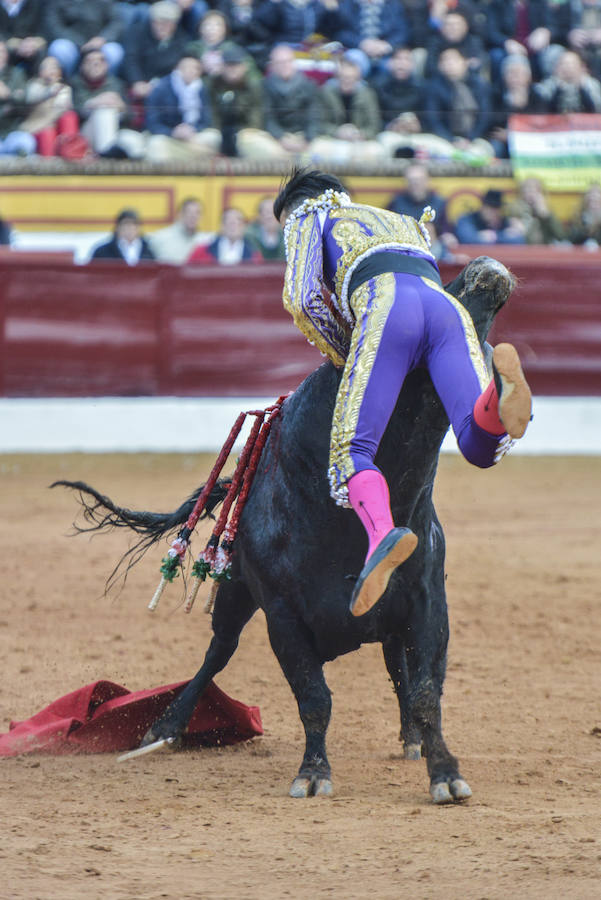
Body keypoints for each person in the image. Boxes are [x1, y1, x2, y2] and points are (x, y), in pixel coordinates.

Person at [273, 167, 532, 616]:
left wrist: (348, 355)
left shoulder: (309, 215)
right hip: (445, 310)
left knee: (351, 451)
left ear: (299, 205)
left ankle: (381, 536)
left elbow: (304, 299)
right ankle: (498, 394)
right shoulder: (396, 218)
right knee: (478, 443)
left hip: (388, 307)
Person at [308, 51, 385, 164]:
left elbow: (374, 126)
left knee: (376, 151)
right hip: (332, 139)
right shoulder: (325, 92)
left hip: (360, 140)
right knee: (316, 148)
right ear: (337, 77)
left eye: (350, 78)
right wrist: (337, 132)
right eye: (343, 78)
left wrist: (360, 134)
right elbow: (319, 123)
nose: (346, 81)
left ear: (358, 79)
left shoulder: (368, 95)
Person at [143, 55, 221, 161]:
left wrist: (192, 129)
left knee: (214, 137)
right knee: (156, 144)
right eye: (186, 67)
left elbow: (206, 120)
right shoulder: (161, 88)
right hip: (167, 136)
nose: (191, 71)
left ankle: (189, 158)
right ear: (177, 69)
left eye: (196, 68)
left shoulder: (201, 88)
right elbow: (152, 123)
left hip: (192, 135)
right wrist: (173, 132)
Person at [261, 42, 318, 157]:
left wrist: (307, 140)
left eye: (288, 61)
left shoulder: (308, 85)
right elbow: (267, 118)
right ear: (272, 65)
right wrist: (281, 138)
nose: (285, 65)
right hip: (275, 138)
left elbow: (314, 117)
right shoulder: (264, 86)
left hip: (303, 137)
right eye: (280, 62)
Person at [44, 0, 125, 76]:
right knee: (60, 48)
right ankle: (65, 82)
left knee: (114, 51)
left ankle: (109, 84)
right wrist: (80, 42)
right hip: (72, 43)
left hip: (99, 43)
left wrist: (103, 38)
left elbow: (116, 22)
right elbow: (54, 25)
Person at [70, 48, 127, 155]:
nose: (96, 64)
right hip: (85, 134)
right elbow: (75, 112)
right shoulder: (75, 83)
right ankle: (107, 157)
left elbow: (131, 118)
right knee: (104, 111)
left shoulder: (117, 84)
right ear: (82, 66)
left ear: (107, 65)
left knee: (134, 141)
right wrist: (94, 102)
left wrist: (122, 107)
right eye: (90, 61)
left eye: (101, 60)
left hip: (116, 130)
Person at [21, 55, 78, 156]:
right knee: (48, 132)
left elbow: (62, 107)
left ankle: (70, 151)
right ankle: (49, 163)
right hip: (37, 127)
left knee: (69, 116)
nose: (51, 71)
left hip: (57, 126)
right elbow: (34, 97)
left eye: (54, 67)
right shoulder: (33, 85)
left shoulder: (64, 88)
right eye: (47, 67)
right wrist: (50, 91)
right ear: (40, 71)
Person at [187, 206, 261, 264]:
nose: (233, 223)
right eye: (228, 220)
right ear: (221, 225)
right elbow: (188, 273)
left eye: (238, 220)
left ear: (244, 226)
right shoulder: (202, 251)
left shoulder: (254, 255)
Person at [506, 177, 567, 245]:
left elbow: (560, 236)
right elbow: (519, 236)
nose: (531, 194)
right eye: (527, 190)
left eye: (534, 191)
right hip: (524, 247)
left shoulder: (546, 209)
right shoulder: (516, 208)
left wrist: (546, 215)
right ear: (522, 193)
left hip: (545, 247)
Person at [454, 188, 526, 245]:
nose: (493, 212)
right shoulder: (468, 219)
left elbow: (518, 240)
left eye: (496, 208)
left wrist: (495, 236)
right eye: (489, 207)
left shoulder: (505, 221)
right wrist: (504, 235)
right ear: (482, 207)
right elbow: (466, 239)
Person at [149, 196, 206, 262]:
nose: (193, 216)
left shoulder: (206, 241)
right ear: (179, 214)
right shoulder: (160, 238)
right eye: (188, 212)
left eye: (197, 212)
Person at [90, 208, 156, 264]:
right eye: (126, 224)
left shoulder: (150, 250)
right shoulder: (102, 252)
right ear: (117, 227)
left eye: (133, 225)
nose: (130, 229)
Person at [245, 196, 286, 260]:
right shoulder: (249, 236)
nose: (270, 216)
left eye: (273, 211)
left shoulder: (287, 234)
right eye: (266, 212)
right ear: (259, 215)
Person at [567, 182, 601, 247]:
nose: (593, 197)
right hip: (580, 249)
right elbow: (572, 238)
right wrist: (587, 228)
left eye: (597, 194)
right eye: (590, 194)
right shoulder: (578, 216)